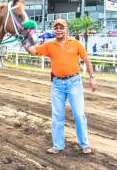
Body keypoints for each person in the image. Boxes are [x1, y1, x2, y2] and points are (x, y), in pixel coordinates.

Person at [23, 19, 97, 154]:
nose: (58, 30)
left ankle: (85, 145)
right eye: (56, 28)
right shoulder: (49, 45)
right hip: (57, 84)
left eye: (61, 27)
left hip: (74, 82)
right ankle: (57, 145)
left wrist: (92, 77)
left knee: (79, 114)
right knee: (57, 115)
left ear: (66, 29)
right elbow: (32, 50)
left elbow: (86, 59)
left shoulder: (76, 44)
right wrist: (25, 39)